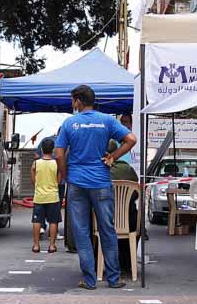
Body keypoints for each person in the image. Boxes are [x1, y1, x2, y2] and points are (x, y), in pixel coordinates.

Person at [55, 85, 137, 290]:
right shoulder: (107, 120)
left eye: (73, 101)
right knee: (107, 229)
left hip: (77, 183)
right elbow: (131, 139)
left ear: (79, 101)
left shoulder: (69, 123)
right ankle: (114, 278)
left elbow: (58, 154)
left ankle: (90, 280)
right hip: (101, 182)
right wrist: (113, 157)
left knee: (82, 231)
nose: (73, 105)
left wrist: (66, 176)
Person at [109, 157, 139, 275]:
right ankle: (127, 263)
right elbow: (136, 192)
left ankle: (99, 262)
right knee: (136, 226)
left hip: (106, 218)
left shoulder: (99, 169)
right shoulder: (128, 169)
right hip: (128, 219)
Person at [31, 138, 61, 254]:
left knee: (37, 221)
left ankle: (36, 245)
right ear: (53, 150)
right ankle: (52, 245)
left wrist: (38, 186)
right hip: (53, 196)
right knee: (53, 221)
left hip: (39, 196)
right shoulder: (56, 164)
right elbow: (58, 181)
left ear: (42, 149)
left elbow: (33, 180)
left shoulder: (36, 163)